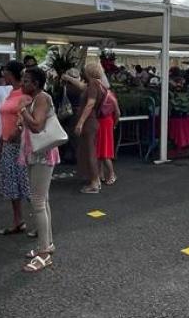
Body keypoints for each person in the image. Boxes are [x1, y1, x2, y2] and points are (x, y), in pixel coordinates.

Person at [19, 67, 59, 273]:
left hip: (42, 156)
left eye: (26, 81)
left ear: (35, 84)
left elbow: (36, 125)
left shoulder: (41, 98)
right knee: (42, 201)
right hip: (36, 154)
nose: (22, 84)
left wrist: (23, 110)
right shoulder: (36, 98)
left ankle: (44, 253)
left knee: (37, 202)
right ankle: (47, 245)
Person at [0, 61, 33, 235]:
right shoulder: (11, 92)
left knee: (27, 184)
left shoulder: (25, 95)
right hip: (8, 143)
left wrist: (14, 136)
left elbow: (25, 120)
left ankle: (41, 223)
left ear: (11, 73)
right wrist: (1, 142)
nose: (3, 74)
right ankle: (18, 221)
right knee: (12, 184)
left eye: (5, 71)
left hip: (20, 144)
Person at [63, 62, 105, 194]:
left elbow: (90, 104)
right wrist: (69, 78)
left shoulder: (92, 85)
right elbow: (81, 86)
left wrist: (80, 122)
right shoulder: (99, 84)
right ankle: (96, 179)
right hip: (92, 121)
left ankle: (93, 182)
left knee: (89, 152)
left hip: (88, 122)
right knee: (90, 150)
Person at [96, 71, 120, 187]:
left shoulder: (107, 96)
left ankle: (111, 174)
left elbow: (117, 113)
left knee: (104, 153)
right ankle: (101, 174)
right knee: (100, 151)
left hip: (105, 123)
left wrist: (113, 124)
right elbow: (117, 113)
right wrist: (114, 124)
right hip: (105, 123)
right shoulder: (110, 95)